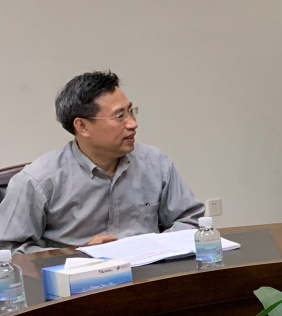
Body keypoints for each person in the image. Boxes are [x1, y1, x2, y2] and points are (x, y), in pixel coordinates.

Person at [0, 71, 203, 252]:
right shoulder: (38, 181)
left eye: (131, 111)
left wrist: (153, 245)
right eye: (119, 116)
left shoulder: (155, 162)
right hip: (76, 280)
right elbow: (9, 251)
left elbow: (190, 220)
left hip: (149, 274)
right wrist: (76, 254)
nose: (133, 124)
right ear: (82, 126)